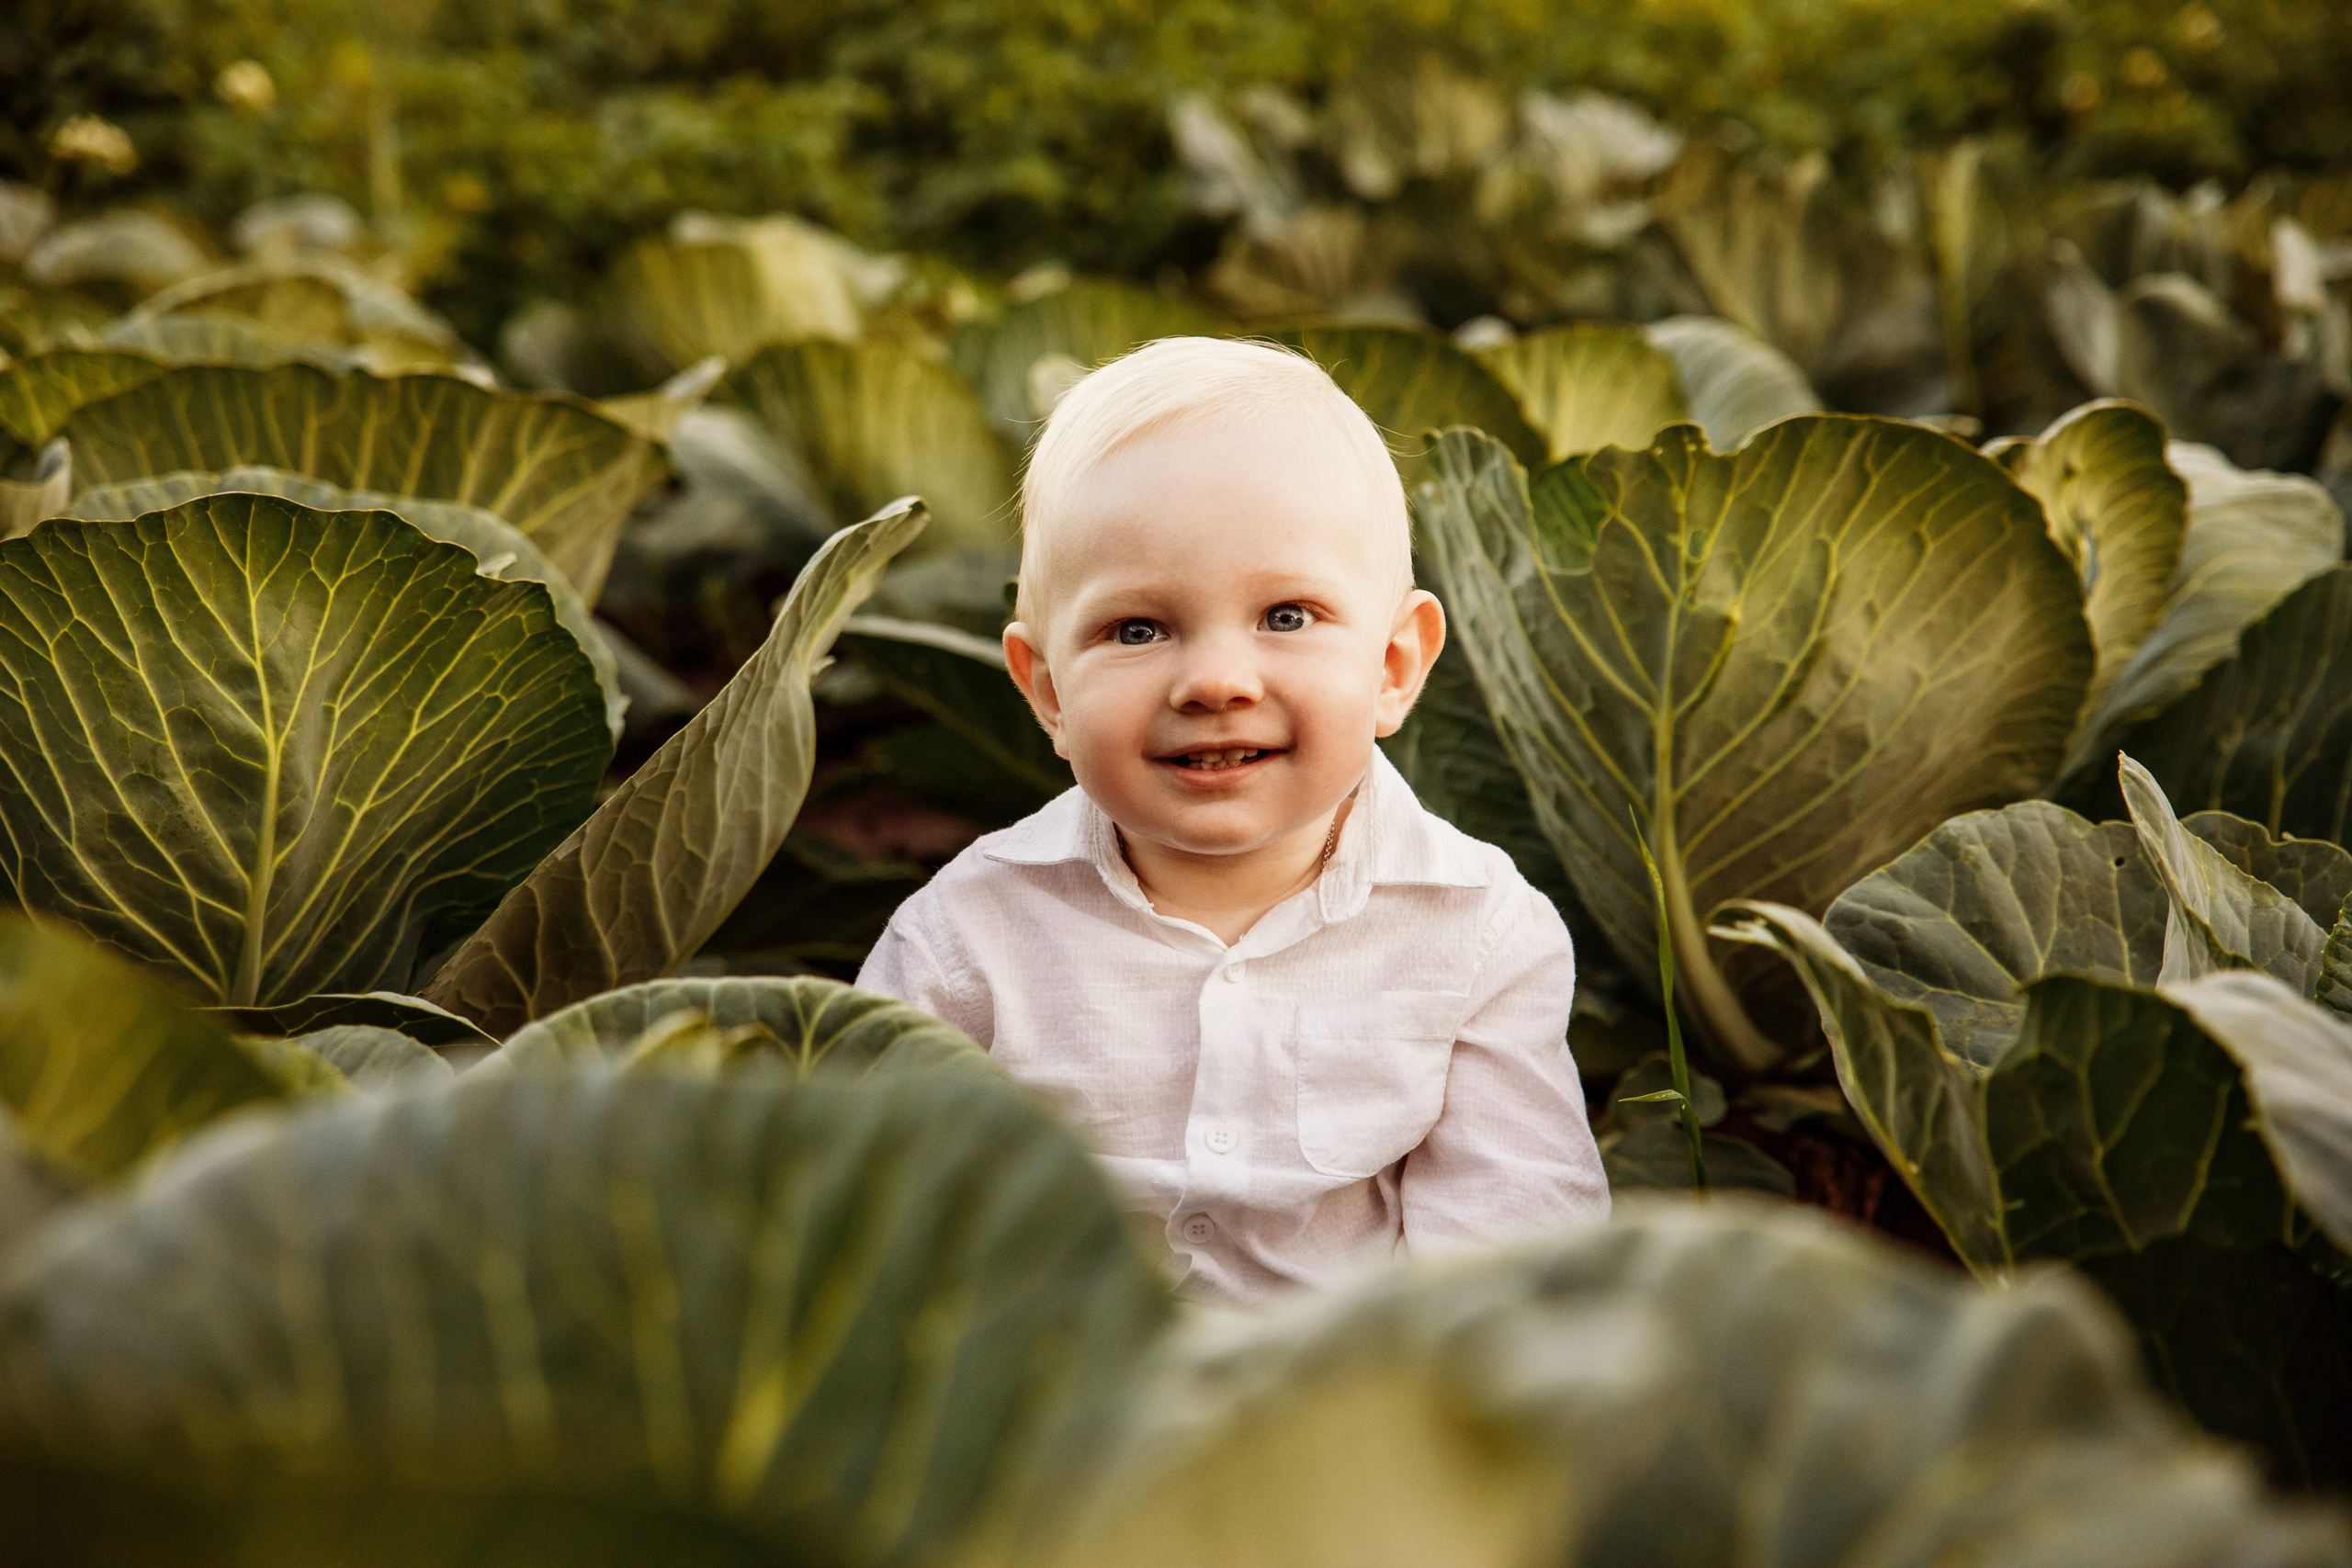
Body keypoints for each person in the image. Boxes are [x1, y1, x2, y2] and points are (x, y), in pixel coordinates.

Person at [857, 336, 1608, 1306]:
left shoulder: (1478, 934)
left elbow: (1510, 1254)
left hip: (1343, 1414)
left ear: (1392, 667)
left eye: (1286, 616)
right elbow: (884, 1221)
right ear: (1046, 692)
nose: (1215, 681)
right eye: (1137, 629)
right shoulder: (962, 941)